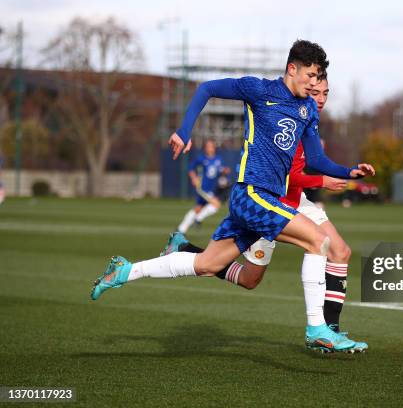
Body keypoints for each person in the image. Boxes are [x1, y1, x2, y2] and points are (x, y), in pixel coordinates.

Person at [90, 40, 375, 353]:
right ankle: (317, 328)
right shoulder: (259, 90)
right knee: (319, 241)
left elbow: (318, 160)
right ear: (292, 68)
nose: (313, 82)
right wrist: (184, 132)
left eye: (318, 76)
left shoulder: (307, 110)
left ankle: (125, 271)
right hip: (251, 192)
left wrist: (349, 172)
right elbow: (206, 88)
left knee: (207, 265)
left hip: (266, 199)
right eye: (310, 74)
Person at [162, 76, 367, 352]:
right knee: (250, 279)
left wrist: (345, 170)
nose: (319, 98)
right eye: (315, 92)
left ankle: (329, 332)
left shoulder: (308, 120)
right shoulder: (284, 116)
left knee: (340, 251)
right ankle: (187, 249)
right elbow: (288, 177)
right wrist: (322, 181)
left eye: (325, 93)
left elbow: (315, 163)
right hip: (270, 202)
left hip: (298, 202)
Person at [177, 139, 228, 234]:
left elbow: (220, 170)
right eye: (207, 146)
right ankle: (198, 219)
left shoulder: (218, 159)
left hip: (211, 189)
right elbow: (191, 168)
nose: (209, 148)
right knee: (216, 204)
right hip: (202, 187)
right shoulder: (201, 158)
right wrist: (194, 178)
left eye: (211, 146)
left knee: (198, 208)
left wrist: (224, 171)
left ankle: (181, 229)